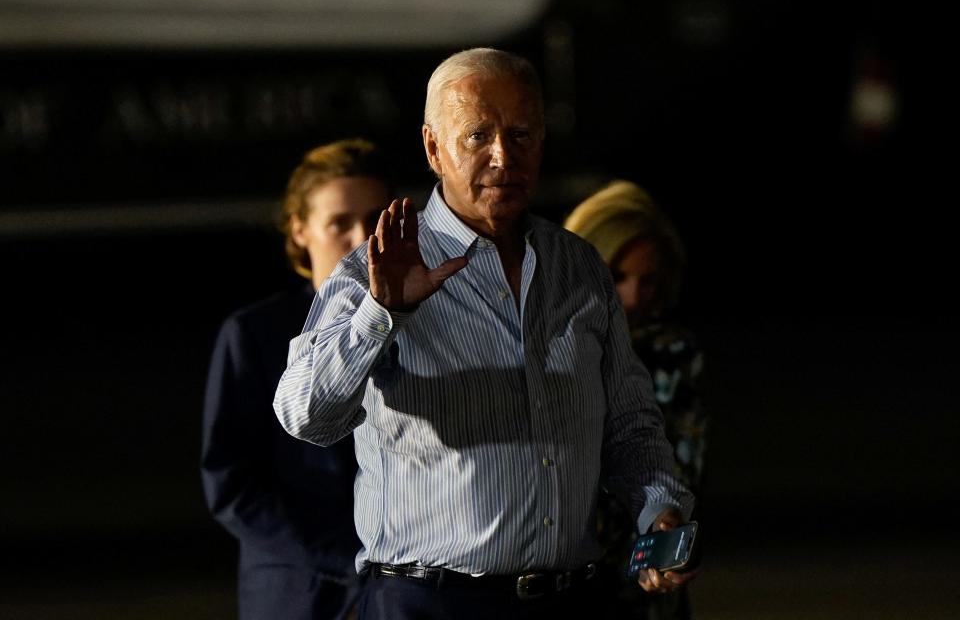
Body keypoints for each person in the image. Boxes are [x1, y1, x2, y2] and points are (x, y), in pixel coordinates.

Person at [273, 48, 696, 620]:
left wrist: (662, 510)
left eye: (521, 134)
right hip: (430, 603)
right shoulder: (373, 272)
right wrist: (381, 313)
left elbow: (629, 425)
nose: (504, 156)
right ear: (433, 148)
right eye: (478, 136)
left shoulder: (580, 269)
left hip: (572, 598)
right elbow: (305, 415)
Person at [201, 139, 392, 620]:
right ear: (299, 228)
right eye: (339, 224)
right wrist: (348, 559)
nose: (361, 239)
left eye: (375, 220)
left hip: (401, 593)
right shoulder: (254, 333)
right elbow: (231, 485)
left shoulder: (418, 322)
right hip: (301, 594)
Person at [565, 181, 707, 619]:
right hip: (553, 580)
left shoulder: (671, 352)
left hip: (637, 584)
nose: (631, 298)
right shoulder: (548, 344)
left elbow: (678, 464)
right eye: (617, 276)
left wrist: (663, 538)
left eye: (648, 281)